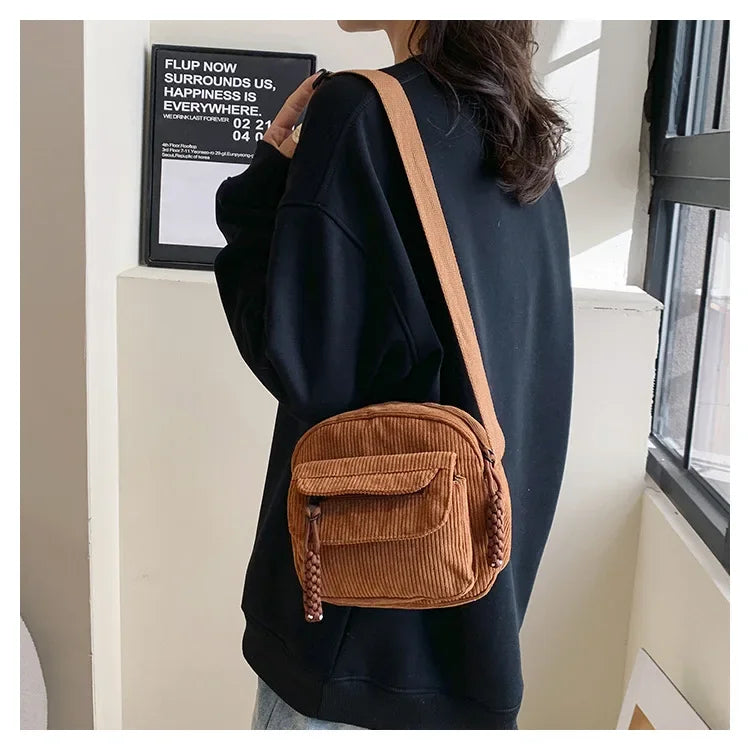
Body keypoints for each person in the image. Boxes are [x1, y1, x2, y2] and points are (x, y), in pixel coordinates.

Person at [213, 20, 573, 730]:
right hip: (477, 623)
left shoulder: (360, 112)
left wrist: (262, 193)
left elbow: (301, 362)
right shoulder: (521, 132)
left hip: (355, 628)